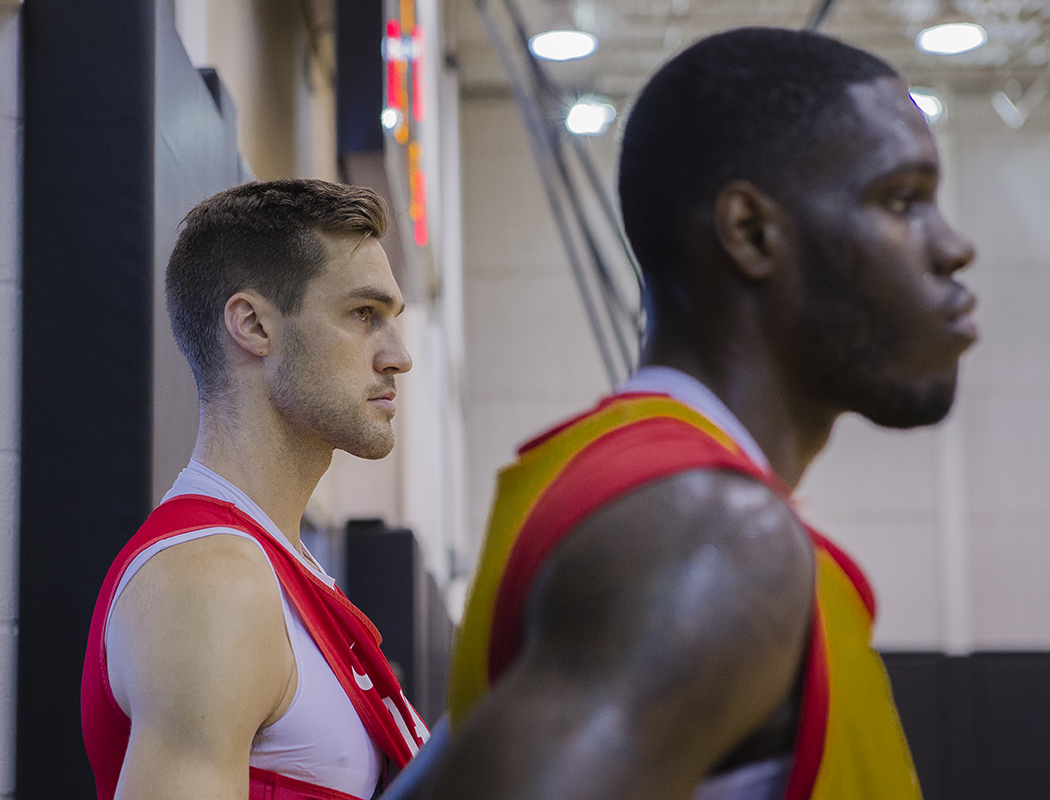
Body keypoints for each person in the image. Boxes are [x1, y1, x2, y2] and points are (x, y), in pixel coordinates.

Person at [415, 27, 977, 800]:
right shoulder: (711, 532)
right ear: (751, 233)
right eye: (903, 200)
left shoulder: (616, 486)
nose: (954, 247)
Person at [81, 179, 430, 800]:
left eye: (392, 321)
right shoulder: (212, 580)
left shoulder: (273, 569)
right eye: (363, 314)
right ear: (253, 325)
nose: (398, 356)